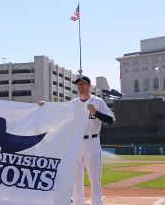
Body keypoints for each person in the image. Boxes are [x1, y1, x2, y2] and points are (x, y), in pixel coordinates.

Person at [39, 75, 114, 205]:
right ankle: (77, 203)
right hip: (76, 143)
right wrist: (45, 106)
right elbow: (59, 112)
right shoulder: (73, 103)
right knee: (75, 179)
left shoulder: (98, 101)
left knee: (95, 179)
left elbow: (110, 120)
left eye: (83, 84)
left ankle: (97, 203)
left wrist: (96, 112)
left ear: (89, 86)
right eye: (79, 84)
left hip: (92, 142)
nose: (80, 86)